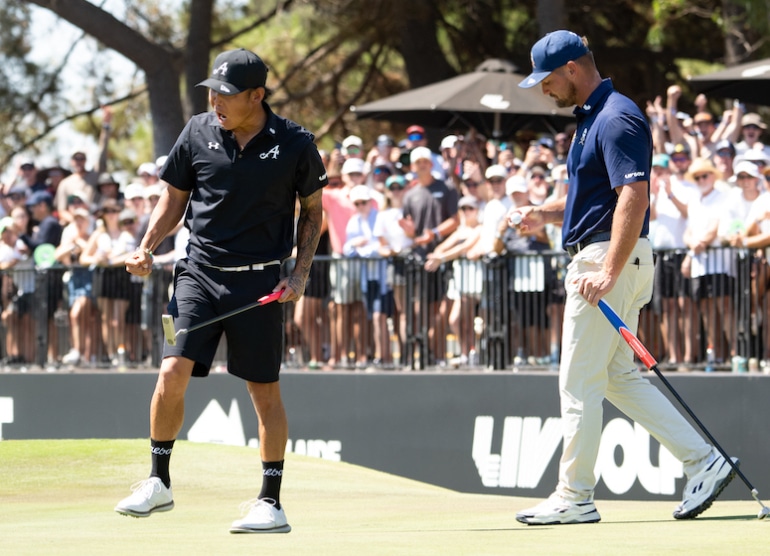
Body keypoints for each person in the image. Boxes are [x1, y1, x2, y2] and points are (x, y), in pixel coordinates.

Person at [513, 30, 737, 525]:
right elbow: (591, 201)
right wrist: (544, 215)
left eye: (547, 80)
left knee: (578, 382)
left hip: (608, 260)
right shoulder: (594, 118)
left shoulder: (616, 116)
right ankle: (705, 460)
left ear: (572, 68)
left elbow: (633, 195)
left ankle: (575, 495)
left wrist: (608, 270)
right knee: (616, 376)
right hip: (610, 254)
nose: (544, 90)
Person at [116, 48, 325, 534]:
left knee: (264, 391)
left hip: (259, 282)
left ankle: (270, 502)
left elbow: (313, 211)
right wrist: (147, 246)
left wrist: (299, 275)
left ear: (258, 95)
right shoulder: (197, 131)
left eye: (227, 94)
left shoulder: (295, 142)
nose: (216, 101)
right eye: (212, 91)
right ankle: (159, 482)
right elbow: (173, 198)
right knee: (171, 371)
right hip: (198, 273)